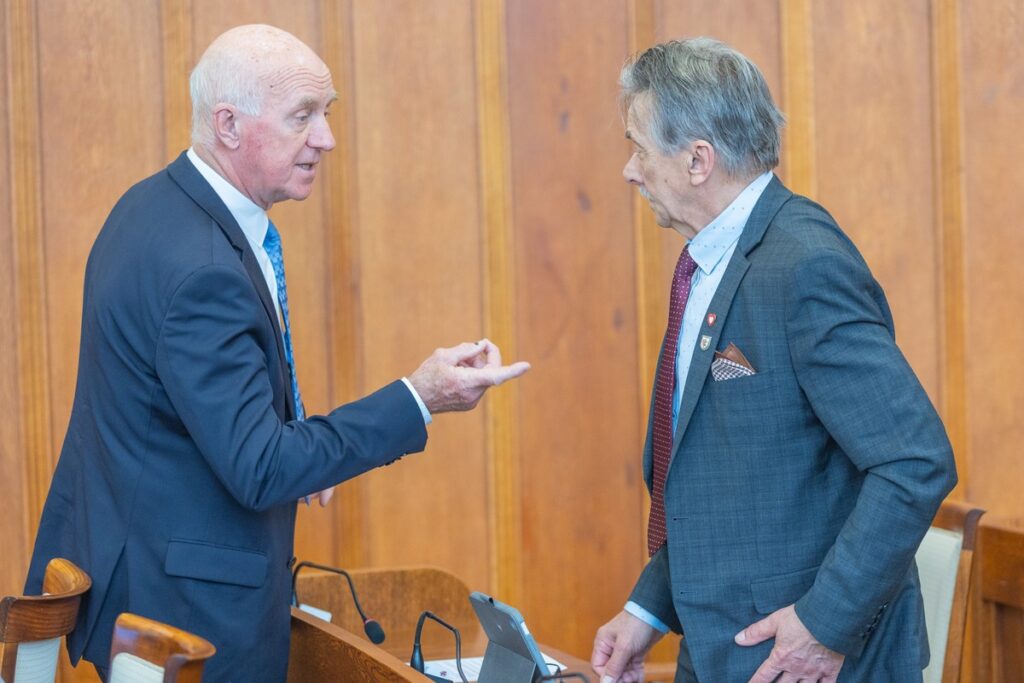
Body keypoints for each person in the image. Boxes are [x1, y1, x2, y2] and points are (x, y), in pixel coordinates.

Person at [25, 24, 529, 682]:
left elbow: (188, 410)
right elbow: (258, 466)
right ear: (228, 124)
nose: (326, 138)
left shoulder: (150, 206)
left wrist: (299, 447)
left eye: (327, 112)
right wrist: (419, 397)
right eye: (302, 117)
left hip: (132, 572)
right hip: (182, 621)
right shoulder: (201, 266)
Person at [591, 37, 956, 682]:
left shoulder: (803, 264)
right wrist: (647, 608)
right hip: (722, 650)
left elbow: (914, 459)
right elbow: (724, 476)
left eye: (638, 149)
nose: (629, 170)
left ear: (697, 159)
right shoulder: (708, 261)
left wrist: (823, 625)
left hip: (806, 662)